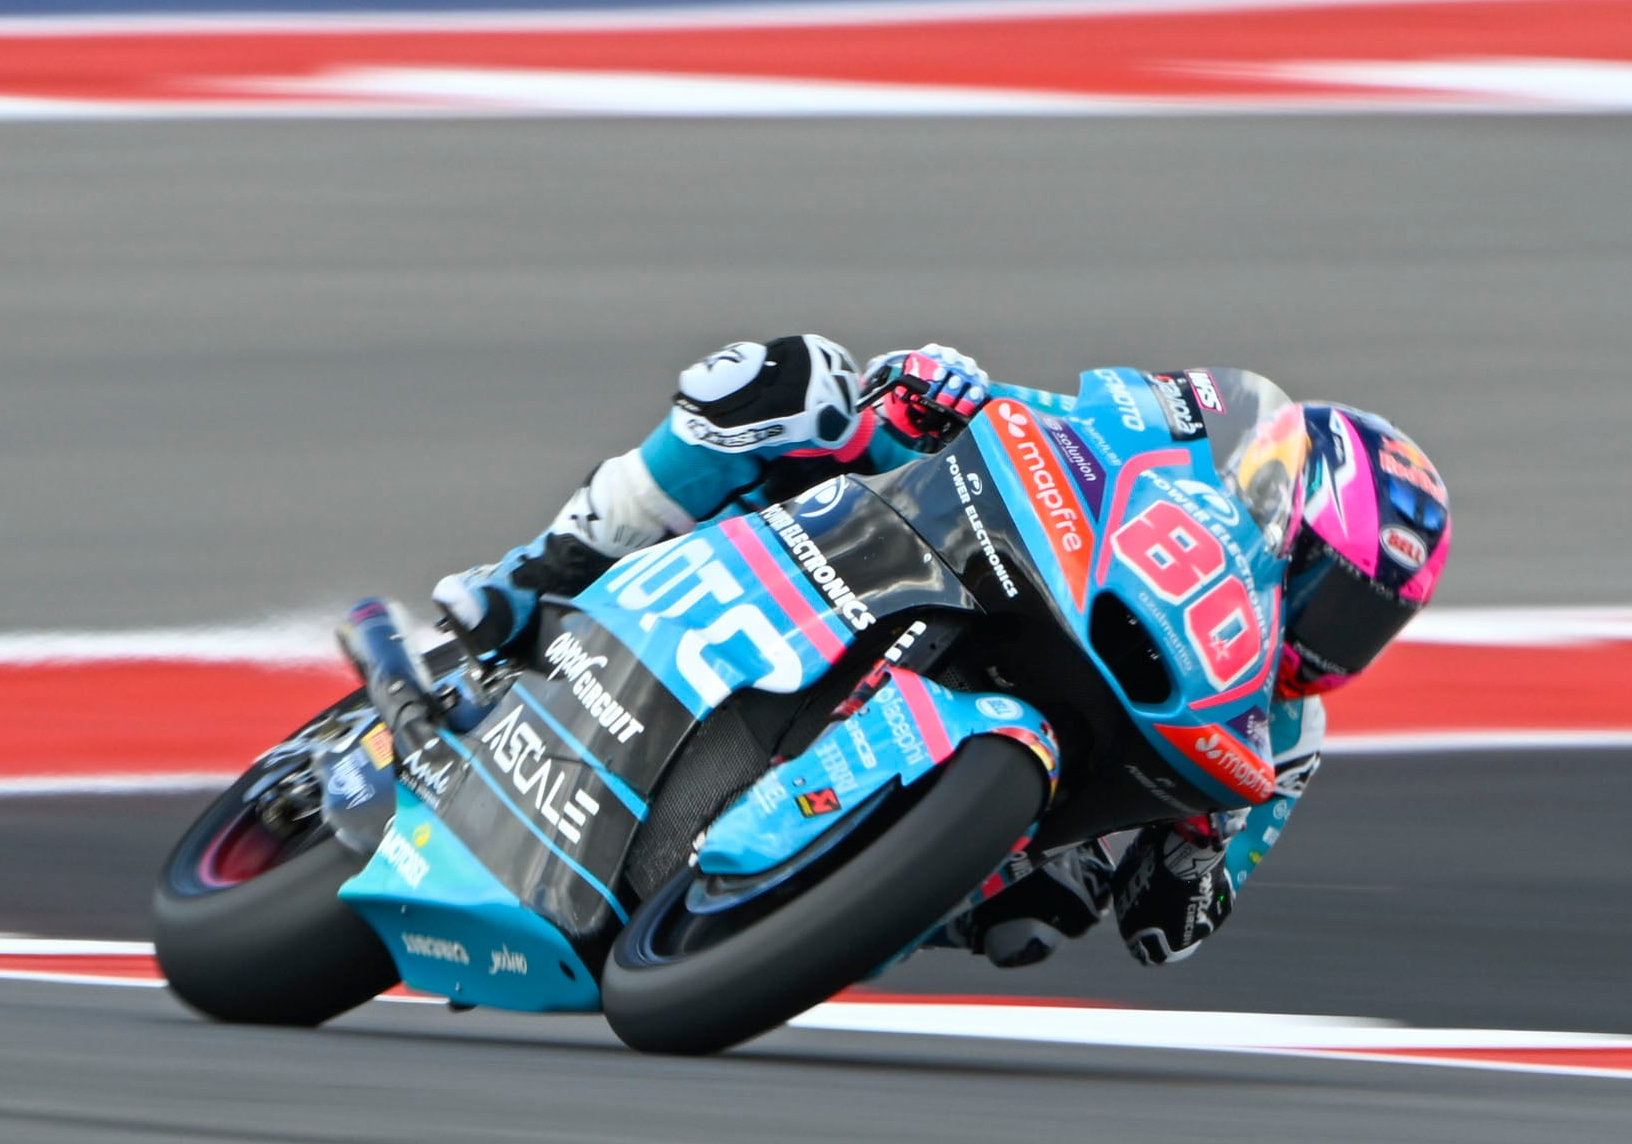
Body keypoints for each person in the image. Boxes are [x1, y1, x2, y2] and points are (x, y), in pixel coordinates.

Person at [431, 335, 1450, 971]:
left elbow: (1167, 935)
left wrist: (1196, 849)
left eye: (1362, 623)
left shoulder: (1281, 741)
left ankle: (802, 903)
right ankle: (538, 575)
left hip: (1018, 779)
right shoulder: (1175, 461)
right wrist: (948, 387)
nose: (1323, 631)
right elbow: (1063, 420)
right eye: (1321, 587)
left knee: (1040, 920)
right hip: (972, 559)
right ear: (1273, 502)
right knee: (792, 385)